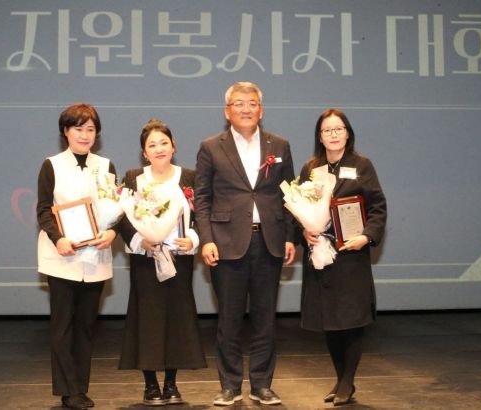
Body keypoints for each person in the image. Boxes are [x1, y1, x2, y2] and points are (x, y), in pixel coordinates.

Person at [194, 82, 296, 406]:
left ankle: (262, 385)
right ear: (228, 111)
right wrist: (206, 240)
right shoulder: (211, 147)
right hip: (226, 243)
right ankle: (230, 385)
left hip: (269, 241)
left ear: (261, 110)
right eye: (239, 104)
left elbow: (290, 195)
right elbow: (202, 198)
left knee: (265, 319)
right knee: (229, 319)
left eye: (252, 103)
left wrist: (290, 236)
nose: (246, 109)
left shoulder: (279, 145)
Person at [299, 108, 387, 406]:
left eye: (339, 129)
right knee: (330, 321)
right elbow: (299, 207)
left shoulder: (362, 165)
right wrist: (304, 231)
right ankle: (341, 380)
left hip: (351, 254)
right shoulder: (311, 168)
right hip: (321, 254)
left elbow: (378, 207)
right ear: (320, 136)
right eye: (327, 130)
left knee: (350, 320)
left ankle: (347, 382)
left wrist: (366, 236)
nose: (333, 134)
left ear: (347, 133)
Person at [118, 118, 206, 406]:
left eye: (164, 143)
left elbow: (203, 214)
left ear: (173, 146)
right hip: (146, 260)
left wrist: (193, 238)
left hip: (179, 259)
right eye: (152, 145)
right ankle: (150, 385)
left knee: (176, 319)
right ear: (144, 152)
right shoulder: (133, 177)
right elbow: (121, 217)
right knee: (147, 320)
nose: (159, 149)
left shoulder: (189, 177)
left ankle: (171, 383)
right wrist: (139, 240)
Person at [36, 103, 118, 410]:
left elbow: (115, 208)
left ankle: (80, 388)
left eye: (90, 129)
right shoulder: (52, 165)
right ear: (66, 132)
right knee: (62, 327)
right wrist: (58, 238)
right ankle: (68, 390)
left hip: (95, 257)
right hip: (63, 257)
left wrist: (112, 232)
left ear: (97, 134)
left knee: (86, 327)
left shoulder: (106, 166)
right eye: (78, 129)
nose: (84, 135)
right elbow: (44, 210)